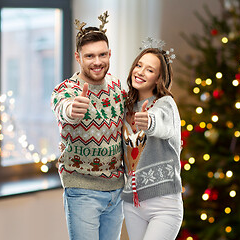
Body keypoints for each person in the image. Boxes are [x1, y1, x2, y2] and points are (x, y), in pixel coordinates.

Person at [50, 11, 125, 240]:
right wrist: (73, 110)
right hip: (82, 190)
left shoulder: (116, 86)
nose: (97, 62)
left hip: (116, 190)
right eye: (90, 56)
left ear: (110, 53)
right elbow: (63, 109)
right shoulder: (66, 90)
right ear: (78, 57)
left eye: (102, 54)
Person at [121, 38, 184, 240]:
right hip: (132, 203)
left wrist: (150, 122)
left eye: (149, 70)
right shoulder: (125, 107)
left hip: (164, 204)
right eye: (139, 65)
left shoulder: (165, 105)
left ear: (158, 78)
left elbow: (163, 125)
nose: (140, 72)